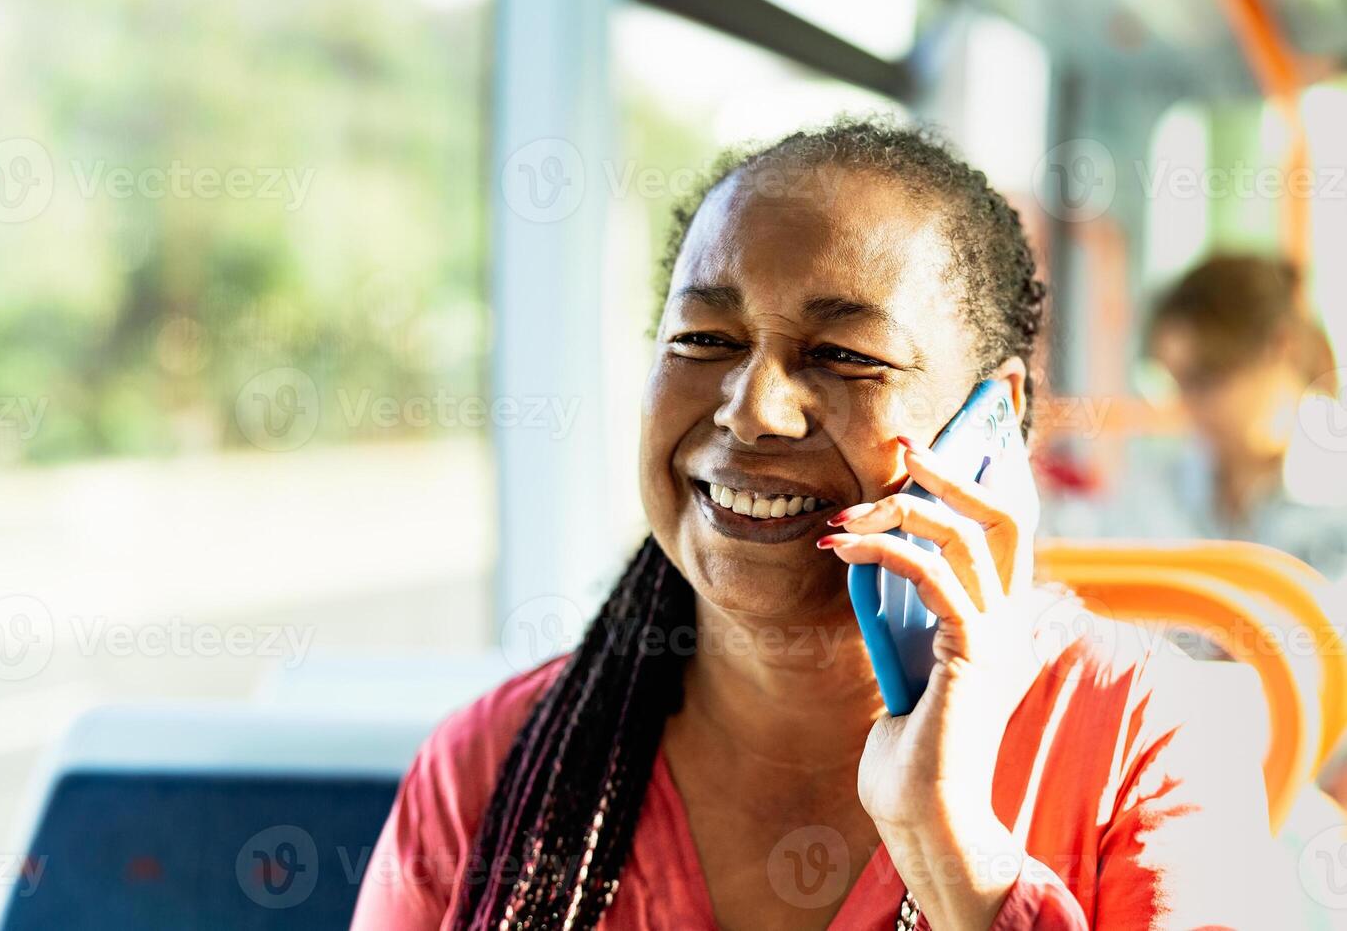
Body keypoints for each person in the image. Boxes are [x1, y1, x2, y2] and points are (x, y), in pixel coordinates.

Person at [352, 118, 1285, 929]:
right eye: (704, 341)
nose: (752, 409)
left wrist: (953, 850)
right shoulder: (489, 766)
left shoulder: (1151, 740)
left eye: (843, 354)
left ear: (989, 421)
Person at [1141, 255, 1347, 579]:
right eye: (1177, 384)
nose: (1189, 406)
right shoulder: (1159, 488)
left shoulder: (1336, 493)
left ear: (1282, 347)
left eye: (1206, 378)